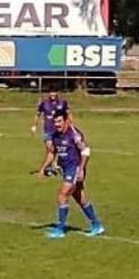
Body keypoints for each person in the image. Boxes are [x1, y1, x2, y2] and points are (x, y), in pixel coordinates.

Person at [38, 110, 104, 239]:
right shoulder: (55, 135)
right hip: (66, 170)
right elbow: (52, 152)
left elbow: (86, 151)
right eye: (55, 122)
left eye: (59, 121)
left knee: (62, 195)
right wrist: (43, 168)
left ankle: (60, 229)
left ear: (66, 121)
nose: (57, 124)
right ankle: (97, 226)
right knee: (80, 198)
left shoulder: (74, 134)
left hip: (74, 168)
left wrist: (81, 169)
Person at [32, 90, 70, 176]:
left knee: (54, 150)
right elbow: (37, 114)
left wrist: (69, 125)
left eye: (54, 92)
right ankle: (50, 167)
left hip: (58, 130)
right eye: (51, 92)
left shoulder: (62, 103)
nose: (52, 94)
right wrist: (34, 125)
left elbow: (68, 114)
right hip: (48, 130)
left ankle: (51, 167)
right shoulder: (44, 103)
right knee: (50, 149)